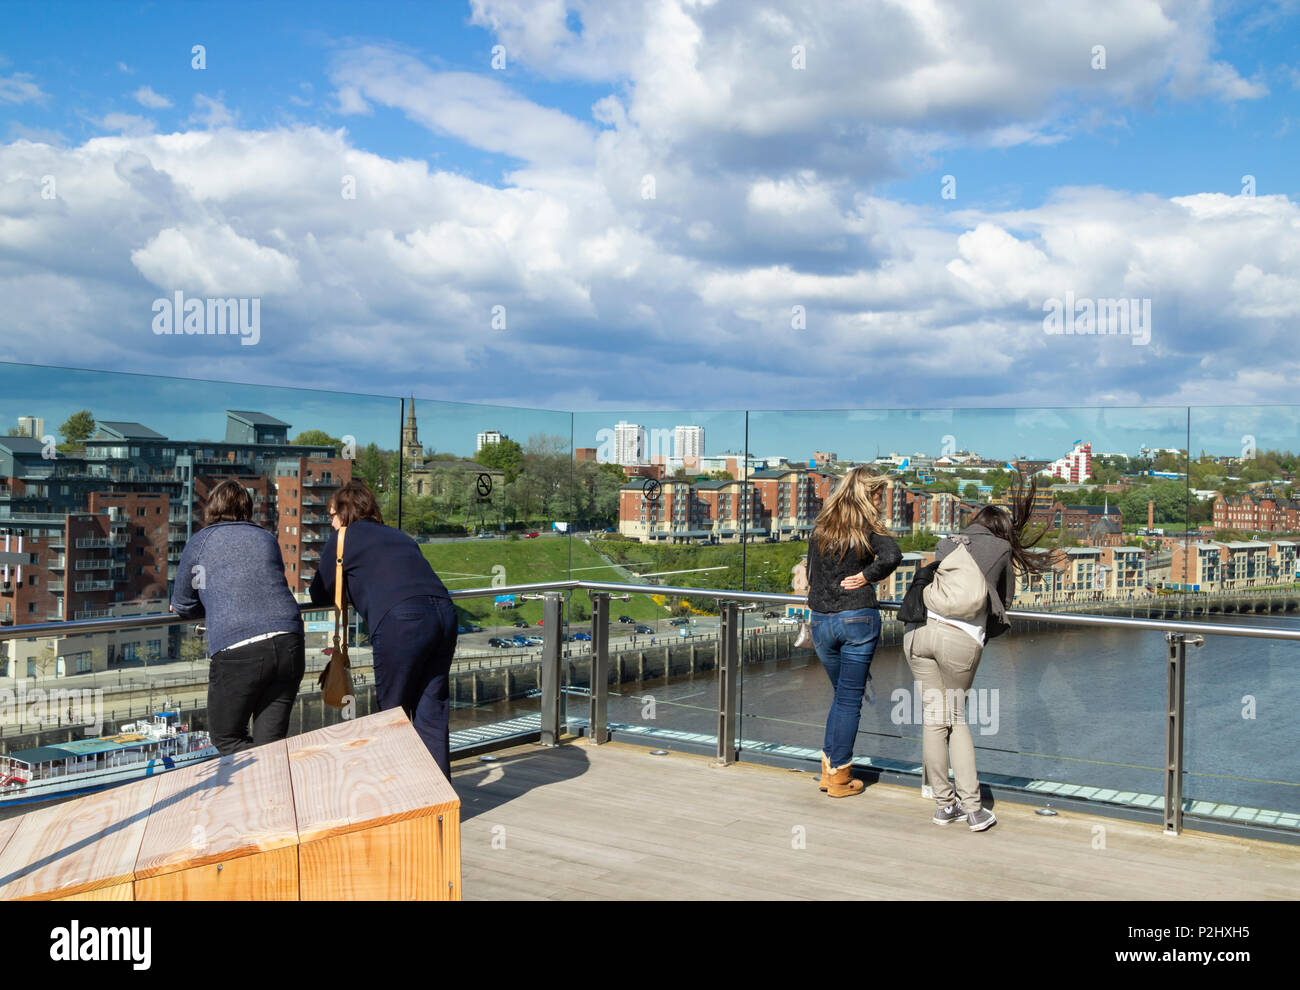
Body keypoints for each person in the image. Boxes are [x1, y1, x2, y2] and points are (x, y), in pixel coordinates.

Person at [903, 476, 1055, 832]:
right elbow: (1004, 601)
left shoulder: (947, 543)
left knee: (933, 718)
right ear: (1000, 528)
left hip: (917, 633)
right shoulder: (1000, 550)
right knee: (955, 718)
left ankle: (944, 806)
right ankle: (973, 809)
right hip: (958, 640)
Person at [309, 480, 458, 778]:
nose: (331, 522)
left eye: (331, 515)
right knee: (431, 710)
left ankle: (399, 794)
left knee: (393, 713)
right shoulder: (398, 535)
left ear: (344, 513)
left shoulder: (343, 539)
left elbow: (319, 593)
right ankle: (438, 806)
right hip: (445, 613)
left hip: (403, 620)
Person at [170, 480, 305, 755]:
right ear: (247, 509)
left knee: (227, 737)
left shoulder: (200, 542)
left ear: (212, 509)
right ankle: (271, 790)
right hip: (289, 639)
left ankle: (255, 791)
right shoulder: (265, 537)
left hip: (240, 647)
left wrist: (214, 605)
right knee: (271, 744)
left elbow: (182, 603)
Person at [806, 467, 902, 797]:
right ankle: (840, 779)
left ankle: (828, 770)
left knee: (842, 698)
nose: (881, 501)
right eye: (879, 495)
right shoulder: (867, 526)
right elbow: (892, 555)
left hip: (821, 621)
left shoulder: (821, 527)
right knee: (849, 700)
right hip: (856, 619)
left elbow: (810, 574)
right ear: (868, 494)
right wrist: (866, 576)